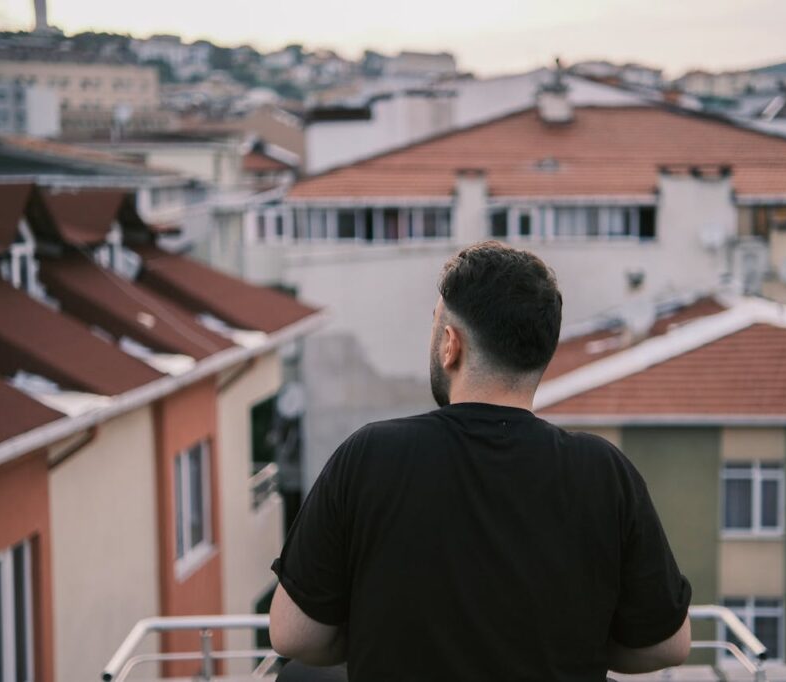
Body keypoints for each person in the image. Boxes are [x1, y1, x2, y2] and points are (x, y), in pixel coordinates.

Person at [269, 241, 692, 681]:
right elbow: (668, 643)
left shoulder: (370, 457)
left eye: (435, 325)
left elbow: (292, 636)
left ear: (450, 345)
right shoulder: (605, 473)